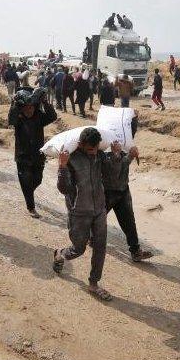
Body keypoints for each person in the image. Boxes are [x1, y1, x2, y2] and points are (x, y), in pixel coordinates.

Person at [52, 128, 126, 301]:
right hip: (79, 211)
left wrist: (116, 156)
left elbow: (112, 176)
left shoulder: (99, 156)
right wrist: (62, 166)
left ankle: (93, 283)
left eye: (95, 148)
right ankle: (60, 254)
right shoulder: (71, 159)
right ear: (80, 145)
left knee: (100, 247)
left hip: (99, 209)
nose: (93, 152)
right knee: (79, 249)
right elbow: (64, 189)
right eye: (90, 149)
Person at [103, 127, 154, 263]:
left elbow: (124, 164)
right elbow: (115, 170)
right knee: (98, 219)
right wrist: (118, 154)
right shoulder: (104, 154)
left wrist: (130, 154)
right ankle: (90, 238)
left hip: (123, 190)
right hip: (107, 192)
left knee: (129, 222)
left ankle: (135, 251)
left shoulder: (120, 150)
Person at [8, 89, 57, 217]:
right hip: (22, 156)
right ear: (22, 108)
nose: (30, 110)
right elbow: (11, 119)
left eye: (32, 107)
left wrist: (45, 102)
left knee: (38, 180)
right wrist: (14, 105)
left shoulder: (39, 116)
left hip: (38, 156)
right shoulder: (18, 119)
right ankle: (31, 207)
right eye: (27, 107)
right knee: (26, 180)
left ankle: (28, 192)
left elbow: (52, 116)